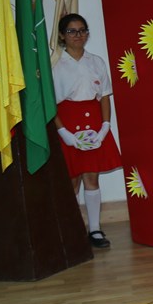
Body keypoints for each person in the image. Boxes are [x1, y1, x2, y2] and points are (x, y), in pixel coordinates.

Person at [53, 13, 122, 249]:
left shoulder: (96, 62)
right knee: (72, 179)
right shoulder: (55, 64)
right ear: (62, 35)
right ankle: (72, 230)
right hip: (67, 122)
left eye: (82, 30)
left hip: (93, 122)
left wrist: (105, 126)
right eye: (72, 31)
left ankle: (94, 229)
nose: (78, 35)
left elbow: (104, 96)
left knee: (92, 176)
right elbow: (50, 103)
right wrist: (63, 132)